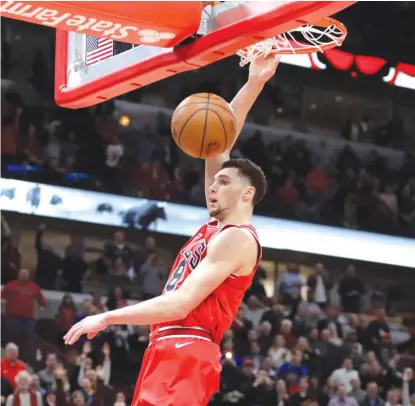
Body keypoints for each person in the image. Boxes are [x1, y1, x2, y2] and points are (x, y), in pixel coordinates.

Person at [64, 55, 281, 406]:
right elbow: (219, 143)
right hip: (166, 344)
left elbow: (181, 303)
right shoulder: (216, 226)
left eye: (222, 182)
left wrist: (107, 317)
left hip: (188, 344)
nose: (212, 186)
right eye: (214, 182)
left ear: (247, 194)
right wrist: (255, 81)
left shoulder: (237, 238)